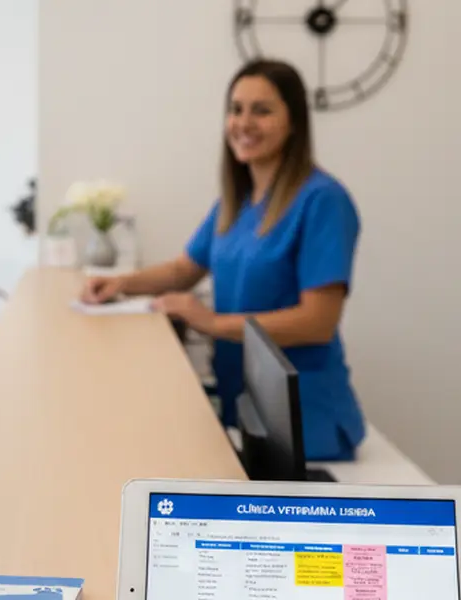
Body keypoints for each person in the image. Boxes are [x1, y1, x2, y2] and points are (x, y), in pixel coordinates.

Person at [81, 59, 366, 461]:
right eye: (236, 109)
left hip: (303, 419)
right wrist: (121, 283)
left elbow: (318, 321)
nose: (243, 122)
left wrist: (211, 322)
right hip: (246, 406)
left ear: (295, 121)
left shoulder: (322, 201)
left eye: (262, 110)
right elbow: (184, 269)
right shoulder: (237, 202)